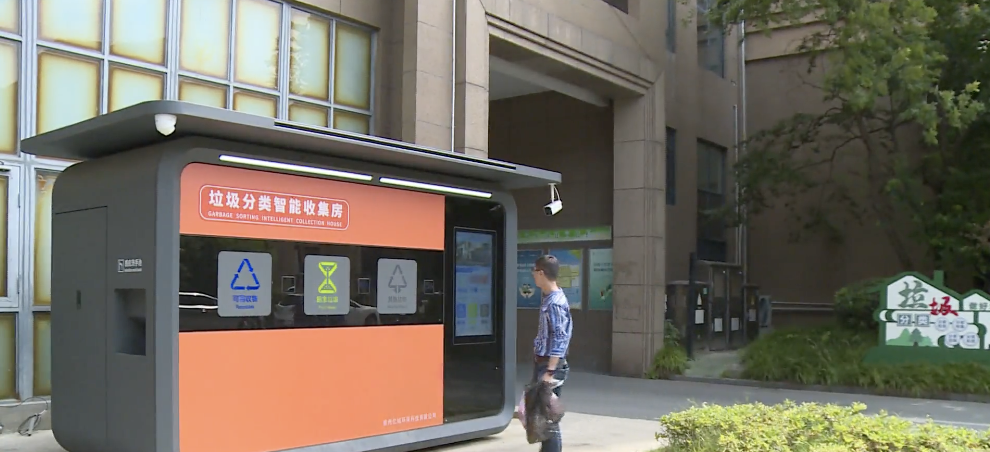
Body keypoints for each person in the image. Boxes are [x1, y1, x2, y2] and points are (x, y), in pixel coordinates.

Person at [530, 254, 573, 452]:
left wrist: (550, 371)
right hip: (544, 363)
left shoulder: (554, 302)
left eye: (534, 271)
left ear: (541, 273)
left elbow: (560, 338)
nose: (533, 275)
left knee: (548, 419)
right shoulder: (552, 297)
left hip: (549, 365)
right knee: (544, 416)